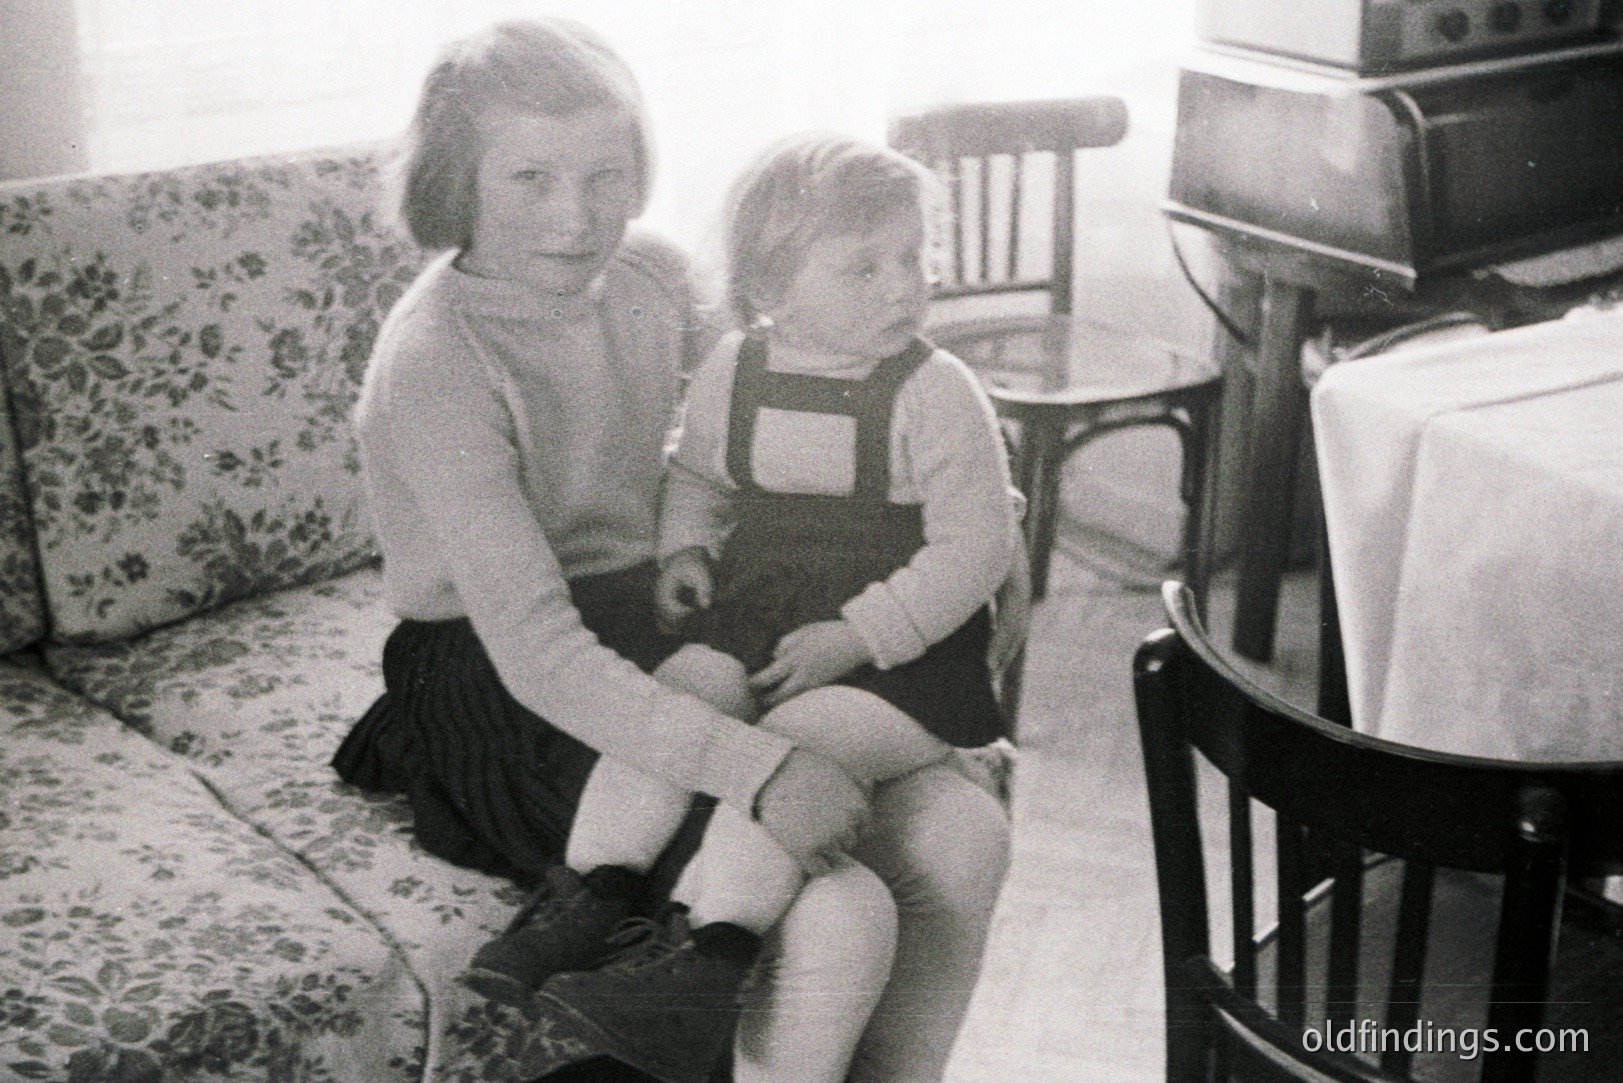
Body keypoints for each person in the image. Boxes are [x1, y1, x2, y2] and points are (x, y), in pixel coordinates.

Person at [329, 19, 898, 1083]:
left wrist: (940, 482)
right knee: (840, 910)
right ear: (460, 179)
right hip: (497, 675)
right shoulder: (434, 358)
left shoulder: (650, 277)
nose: (575, 216)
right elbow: (540, 652)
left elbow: (793, 394)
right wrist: (762, 769)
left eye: (605, 174)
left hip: (652, 621)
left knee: (939, 830)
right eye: (531, 177)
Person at [463, 133, 1022, 1083]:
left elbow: (977, 547)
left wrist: (859, 634)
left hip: (899, 660)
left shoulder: (936, 391)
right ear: (774, 285)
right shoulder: (736, 367)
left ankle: (705, 963)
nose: (904, 285)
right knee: (681, 695)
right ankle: (590, 893)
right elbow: (700, 477)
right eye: (864, 267)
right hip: (759, 609)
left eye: (912, 258)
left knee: (794, 745)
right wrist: (684, 545)